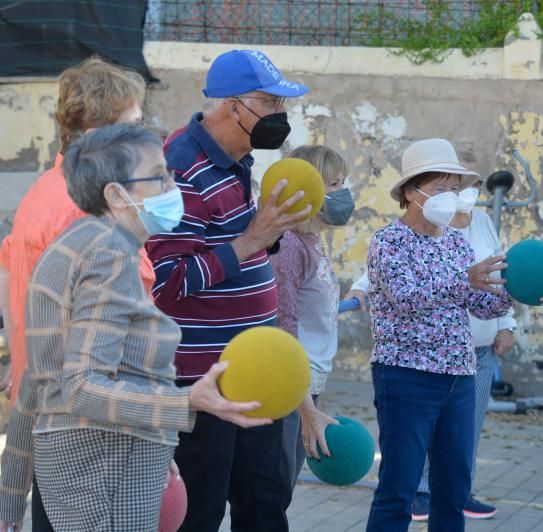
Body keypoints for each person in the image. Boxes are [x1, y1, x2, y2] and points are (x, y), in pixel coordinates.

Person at [0, 124, 272, 531]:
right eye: (159, 176)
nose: (173, 184)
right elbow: (79, 386)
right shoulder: (108, 258)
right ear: (114, 194)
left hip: (89, 478)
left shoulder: (75, 244)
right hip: (105, 483)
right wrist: (186, 403)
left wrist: (9, 501)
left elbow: (39, 380)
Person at [145, 49, 311, 531]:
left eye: (284, 106)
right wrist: (251, 240)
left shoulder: (238, 160)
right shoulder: (180, 167)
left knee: (264, 508)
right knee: (198, 515)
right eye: (271, 104)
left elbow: (234, 243)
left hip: (257, 372)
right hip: (203, 383)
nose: (281, 118)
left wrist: (266, 232)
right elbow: (166, 282)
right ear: (233, 106)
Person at [0, 56, 156, 532]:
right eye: (131, 125)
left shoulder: (46, 189)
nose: (140, 136)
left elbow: (9, 270)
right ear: (95, 132)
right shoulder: (86, 210)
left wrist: (17, 359)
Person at [347, 176, 517, 521]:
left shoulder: (457, 241)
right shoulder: (389, 241)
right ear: (411, 192)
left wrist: (512, 292)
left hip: (459, 376)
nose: (450, 198)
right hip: (406, 376)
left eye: (454, 190)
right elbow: (406, 299)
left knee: (453, 488)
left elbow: (478, 303)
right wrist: (465, 280)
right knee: (399, 488)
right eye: (440, 189)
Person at [271, 145, 355, 460]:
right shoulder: (290, 245)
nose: (343, 192)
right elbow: (283, 325)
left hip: (309, 383)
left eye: (343, 182)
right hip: (290, 387)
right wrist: (305, 407)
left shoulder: (312, 238)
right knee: (277, 486)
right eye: (334, 184)